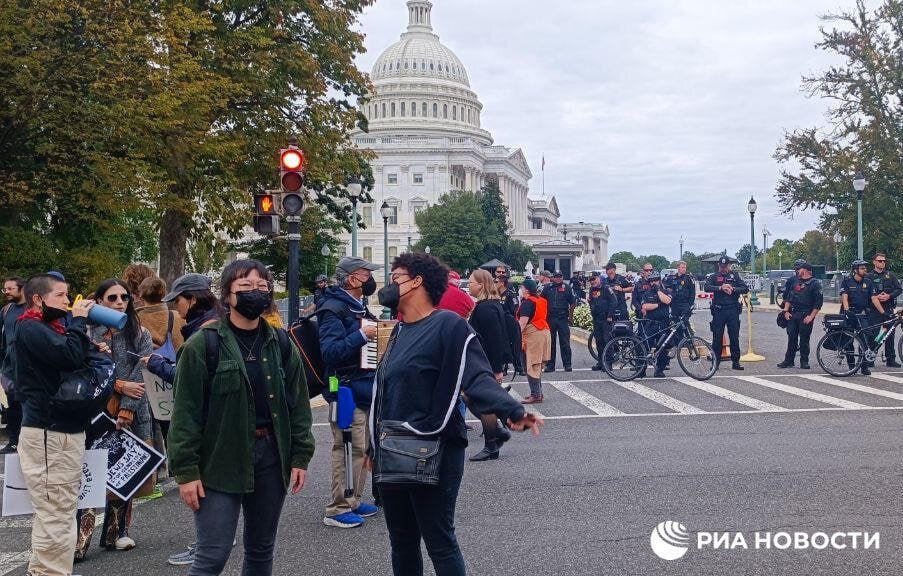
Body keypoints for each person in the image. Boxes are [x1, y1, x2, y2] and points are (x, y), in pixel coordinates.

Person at [372, 252, 543, 576]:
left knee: (439, 541)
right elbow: (388, 393)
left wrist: (513, 409)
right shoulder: (398, 332)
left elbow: (476, 376)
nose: (389, 285)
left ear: (417, 282)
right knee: (402, 542)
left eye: (396, 278)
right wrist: (372, 448)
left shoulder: (448, 325)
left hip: (434, 448)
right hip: (392, 450)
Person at [168, 259, 314, 576]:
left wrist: (300, 455)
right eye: (245, 286)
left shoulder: (282, 342)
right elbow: (185, 413)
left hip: (271, 459)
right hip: (219, 460)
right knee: (212, 556)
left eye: (262, 286)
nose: (255, 292)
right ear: (227, 295)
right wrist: (186, 471)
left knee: (261, 552)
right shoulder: (202, 345)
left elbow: (298, 404)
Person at [15, 274, 97, 576]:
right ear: (38, 299)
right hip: (50, 433)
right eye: (61, 295)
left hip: (58, 431)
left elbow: (72, 356)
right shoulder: (30, 327)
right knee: (57, 514)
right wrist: (77, 323)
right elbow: (68, 355)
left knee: (55, 512)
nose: (67, 301)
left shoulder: (48, 328)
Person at [142, 273, 222, 567]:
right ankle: (213, 539)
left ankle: (206, 545)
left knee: (205, 484)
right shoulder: (215, 324)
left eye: (178, 301)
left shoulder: (204, 332)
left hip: (207, 421)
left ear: (193, 298)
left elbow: (189, 379)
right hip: (219, 420)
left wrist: (157, 363)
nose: (177, 307)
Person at [78, 279, 155, 556]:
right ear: (98, 301)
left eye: (124, 297)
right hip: (94, 411)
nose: (120, 302)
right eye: (112, 298)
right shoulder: (85, 332)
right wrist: (119, 385)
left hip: (132, 409)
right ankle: (80, 538)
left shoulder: (140, 332)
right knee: (89, 473)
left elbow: (142, 372)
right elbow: (83, 371)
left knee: (124, 470)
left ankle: (117, 532)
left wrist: (127, 406)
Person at [319, 256, 381, 529]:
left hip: (359, 386)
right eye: (365, 275)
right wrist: (363, 335)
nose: (370, 280)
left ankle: (353, 499)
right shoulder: (334, 308)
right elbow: (330, 353)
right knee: (347, 446)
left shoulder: (354, 306)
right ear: (350, 278)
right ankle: (337, 508)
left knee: (360, 447)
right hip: (344, 387)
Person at [466, 269, 514, 461]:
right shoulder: (489, 305)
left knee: (481, 402)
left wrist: (496, 369)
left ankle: (491, 444)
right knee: (470, 397)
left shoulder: (486, 308)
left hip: (486, 363)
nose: (468, 285)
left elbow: (495, 340)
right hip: (482, 362)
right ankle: (497, 431)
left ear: (480, 285)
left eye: (470, 282)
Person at [704, 256, 749, 370]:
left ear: (729, 265)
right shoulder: (714, 276)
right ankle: (716, 363)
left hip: (733, 310)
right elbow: (707, 287)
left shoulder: (735, 276)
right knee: (717, 338)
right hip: (719, 310)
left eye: (725, 266)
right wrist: (720, 288)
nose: (723, 268)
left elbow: (745, 288)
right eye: (721, 266)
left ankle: (736, 362)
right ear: (719, 266)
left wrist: (733, 289)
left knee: (734, 337)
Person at [777, 261, 822, 370]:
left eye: (799, 269)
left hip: (806, 314)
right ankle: (789, 360)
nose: (797, 271)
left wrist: (811, 317)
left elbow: (818, 303)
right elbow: (789, 297)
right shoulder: (795, 281)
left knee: (804, 339)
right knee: (791, 338)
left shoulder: (815, 283)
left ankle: (804, 361)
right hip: (793, 313)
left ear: (805, 270)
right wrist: (786, 311)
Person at [1, 276, 27, 454]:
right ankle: (13, 441)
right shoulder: (6, 310)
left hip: (29, 366)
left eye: (10, 288)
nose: (6, 292)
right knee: (12, 406)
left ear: (22, 288)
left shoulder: (34, 308)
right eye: (5, 289)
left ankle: (27, 442)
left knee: (29, 405)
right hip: (10, 367)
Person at [518, 279, 552, 403]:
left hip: (532, 335)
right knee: (536, 365)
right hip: (543, 332)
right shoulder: (541, 301)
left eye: (521, 288)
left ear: (526, 290)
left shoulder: (527, 302)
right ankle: (538, 393)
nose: (520, 291)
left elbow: (522, 323)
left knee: (530, 364)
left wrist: (515, 337)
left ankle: (536, 394)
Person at [840, 260, 874, 376]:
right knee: (848, 340)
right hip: (850, 314)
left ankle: (864, 366)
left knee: (865, 340)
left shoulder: (868, 282)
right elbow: (844, 297)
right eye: (862, 268)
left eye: (865, 268)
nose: (865, 270)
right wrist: (847, 310)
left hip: (862, 314)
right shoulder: (847, 281)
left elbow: (873, 298)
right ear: (855, 270)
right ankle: (851, 366)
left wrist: (883, 312)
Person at [868, 252, 902, 368]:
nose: (882, 263)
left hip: (888, 308)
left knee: (890, 334)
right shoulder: (869, 276)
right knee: (875, 334)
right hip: (874, 310)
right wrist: (875, 297)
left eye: (884, 261)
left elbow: (898, 289)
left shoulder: (890, 275)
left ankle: (890, 359)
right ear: (874, 262)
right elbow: (865, 293)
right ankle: (870, 358)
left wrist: (889, 296)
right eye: (880, 261)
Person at [637, 273, 673, 378]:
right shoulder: (647, 293)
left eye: (656, 280)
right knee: (644, 346)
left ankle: (659, 370)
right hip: (651, 324)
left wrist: (658, 290)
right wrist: (658, 305)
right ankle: (641, 370)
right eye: (651, 281)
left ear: (659, 280)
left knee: (663, 348)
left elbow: (667, 300)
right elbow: (645, 306)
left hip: (663, 324)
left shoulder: (666, 291)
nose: (653, 282)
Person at [541, 271, 575, 372]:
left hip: (562, 319)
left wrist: (571, 317)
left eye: (560, 277)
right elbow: (542, 302)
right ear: (553, 278)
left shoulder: (567, 288)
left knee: (565, 343)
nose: (558, 278)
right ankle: (550, 365)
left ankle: (567, 364)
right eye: (556, 277)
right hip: (550, 319)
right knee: (550, 343)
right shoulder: (547, 287)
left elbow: (572, 303)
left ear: (562, 277)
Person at [588, 273, 617, 371]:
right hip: (597, 319)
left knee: (607, 341)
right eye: (591, 280)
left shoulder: (606, 288)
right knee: (599, 341)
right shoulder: (592, 290)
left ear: (599, 279)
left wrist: (610, 315)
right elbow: (592, 301)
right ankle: (601, 362)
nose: (592, 281)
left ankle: (608, 364)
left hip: (606, 319)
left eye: (594, 279)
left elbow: (614, 301)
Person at [496, 274, 524, 376]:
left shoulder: (510, 294)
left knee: (515, 345)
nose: (495, 284)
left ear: (502, 283)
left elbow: (515, 307)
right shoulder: (495, 294)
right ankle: (504, 367)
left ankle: (519, 367)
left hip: (509, 321)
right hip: (499, 322)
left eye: (496, 282)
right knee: (503, 344)